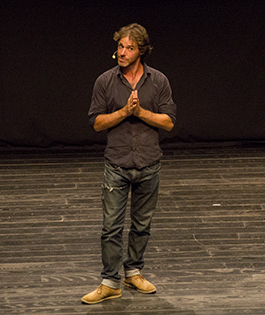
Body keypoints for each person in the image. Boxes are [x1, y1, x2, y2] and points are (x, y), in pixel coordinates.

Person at [81, 23, 176, 304]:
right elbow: (96, 123)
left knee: (141, 225)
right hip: (117, 163)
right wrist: (124, 111)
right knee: (110, 227)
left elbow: (169, 122)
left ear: (141, 51)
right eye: (120, 46)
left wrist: (142, 112)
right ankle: (110, 281)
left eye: (129, 48)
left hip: (148, 162)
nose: (122, 52)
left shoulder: (158, 81)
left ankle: (133, 271)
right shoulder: (105, 81)